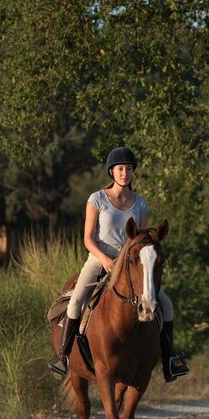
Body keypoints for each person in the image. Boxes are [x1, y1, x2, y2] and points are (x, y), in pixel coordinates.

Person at [49, 146, 189, 382]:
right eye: (121, 169)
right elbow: (87, 238)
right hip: (99, 259)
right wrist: (104, 259)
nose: (125, 173)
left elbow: (141, 240)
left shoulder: (140, 204)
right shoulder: (97, 199)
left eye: (129, 169)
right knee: (75, 303)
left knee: (166, 305)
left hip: (129, 263)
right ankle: (64, 358)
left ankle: (169, 360)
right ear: (111, 172)